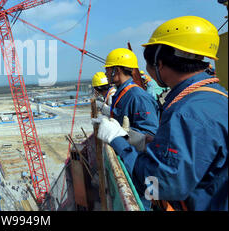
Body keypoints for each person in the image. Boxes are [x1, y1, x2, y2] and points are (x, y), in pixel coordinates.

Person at [94, 16, 228, 211]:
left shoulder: (186, 113)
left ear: (160, 63)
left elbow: (158, 187)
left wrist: (118, 141)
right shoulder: (217, 96)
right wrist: (144, 140)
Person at [103, 48, 159, 136]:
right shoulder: (123, 94)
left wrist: (123, 133)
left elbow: (149, 134)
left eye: (107, 69)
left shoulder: (138, 97)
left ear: (117, 70)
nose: (106, 74)